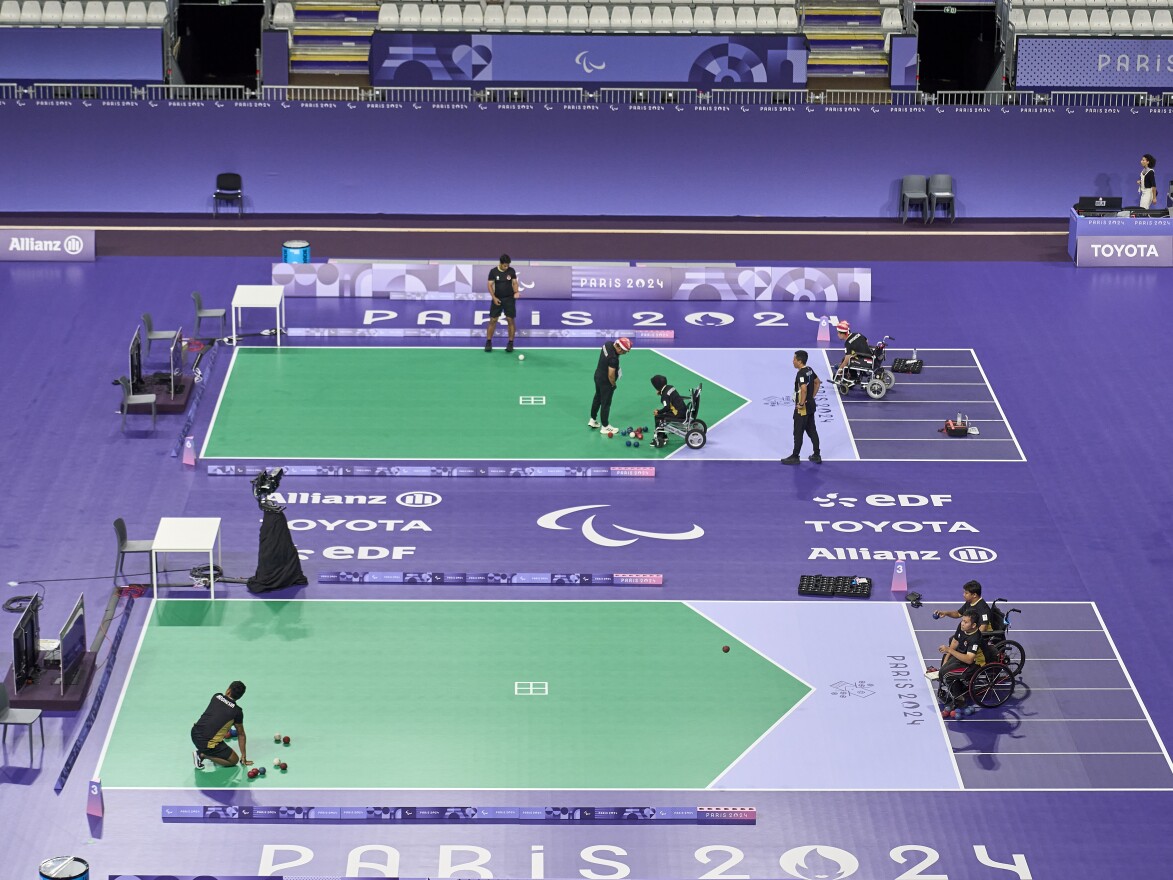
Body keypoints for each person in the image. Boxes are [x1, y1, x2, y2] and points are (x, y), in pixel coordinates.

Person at [191, 681, 251, 769]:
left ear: (228, 691)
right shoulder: (237, 711)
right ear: (240, 697)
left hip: (194, 732)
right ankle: (202, 755)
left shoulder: (216, 696)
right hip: (205, 743)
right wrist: (243, 756)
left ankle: (206, 751)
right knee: (234, 760)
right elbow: (241, 734)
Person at [781, 349, 821, 465]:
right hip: (811, 406)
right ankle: (817, 455)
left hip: (803, 409)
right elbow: (817, 382)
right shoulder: (809, 370)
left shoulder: (801, 374)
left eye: (794, 359)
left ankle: (795, 456)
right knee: (812, 430)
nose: (792, 361)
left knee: (798, 432)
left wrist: (802, 403)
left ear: (799, 361)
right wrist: (811, 397)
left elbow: (803, 389)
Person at [926, 612, 983, 693]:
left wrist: (949, 650)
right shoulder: (963, 627)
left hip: (975, 664)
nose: (962, 623)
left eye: (965, 622)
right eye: (962, 620)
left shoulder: (975, 638)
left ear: (973, 625)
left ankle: (959, 699)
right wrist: (946, 661)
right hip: (962, 658)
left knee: (947, 675)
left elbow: (969, 660)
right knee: (942, 671)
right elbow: (955, 642)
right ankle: (955, 687)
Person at [588, 337, 632, 433]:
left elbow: (609, 359)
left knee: (597, 397)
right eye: (625, 351)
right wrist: (613, 385)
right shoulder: (613, 359)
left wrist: (618, 367)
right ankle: (605, 426)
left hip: (598, 376)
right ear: (619, 348)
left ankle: (592, 420)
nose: (626, 353)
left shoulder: (608, 344)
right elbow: (611, 374)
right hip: (606, 382)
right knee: (606, 403)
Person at [484, 254, 519, 353]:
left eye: (507, 265)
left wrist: (516, 292)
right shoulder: (493, 272)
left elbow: (515, 282)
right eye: (505, 265)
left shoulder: (511, 271)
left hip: (509, 299)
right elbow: (490, 285)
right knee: (493, 320)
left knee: (510, 320)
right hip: (497, 299)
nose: (506, 267)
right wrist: (494, 297)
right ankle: (488, 342)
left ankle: (510, 343)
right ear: (500, 263)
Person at [649, 374, 686, 448]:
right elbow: (670, 396)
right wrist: (661, 392)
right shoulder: (670, 387)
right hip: (683, 410)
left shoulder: (664, 396)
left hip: (678, 414)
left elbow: (667, 407)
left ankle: (661, 437)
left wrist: (658, 412)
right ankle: (663, 436)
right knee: (664, 414)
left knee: (658, 417)